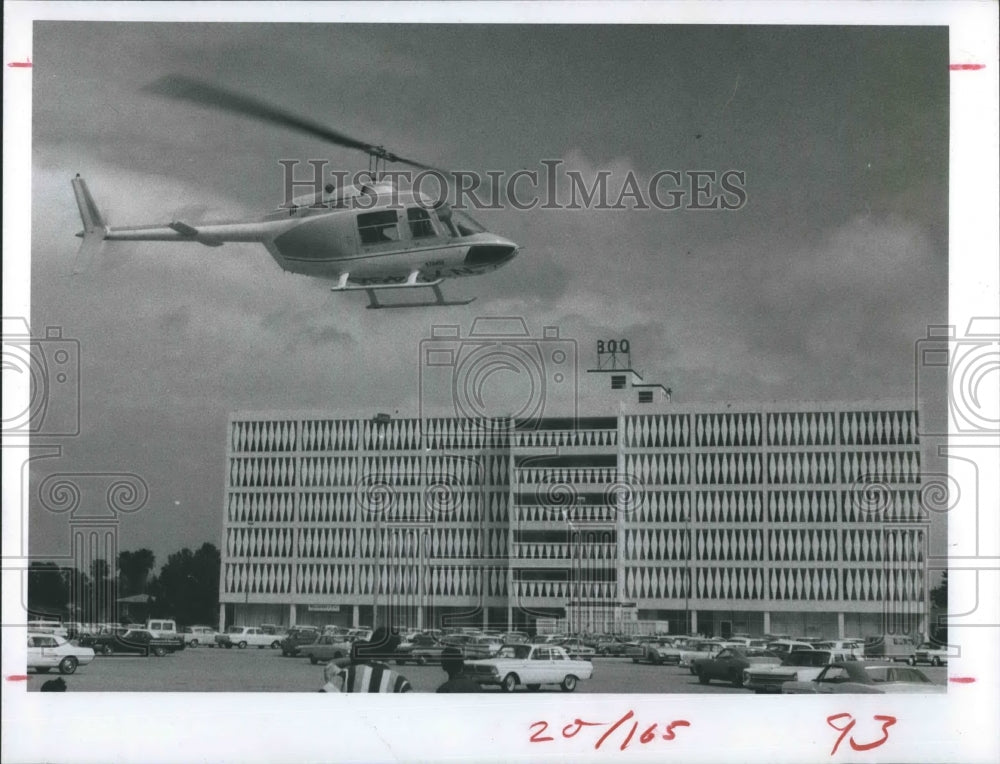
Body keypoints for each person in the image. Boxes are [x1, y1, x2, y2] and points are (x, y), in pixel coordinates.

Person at [320, 626, 411, 693]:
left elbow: (322, 696)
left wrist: (352, 660)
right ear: (393, 651)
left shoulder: (347, 674)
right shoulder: (400, 682)